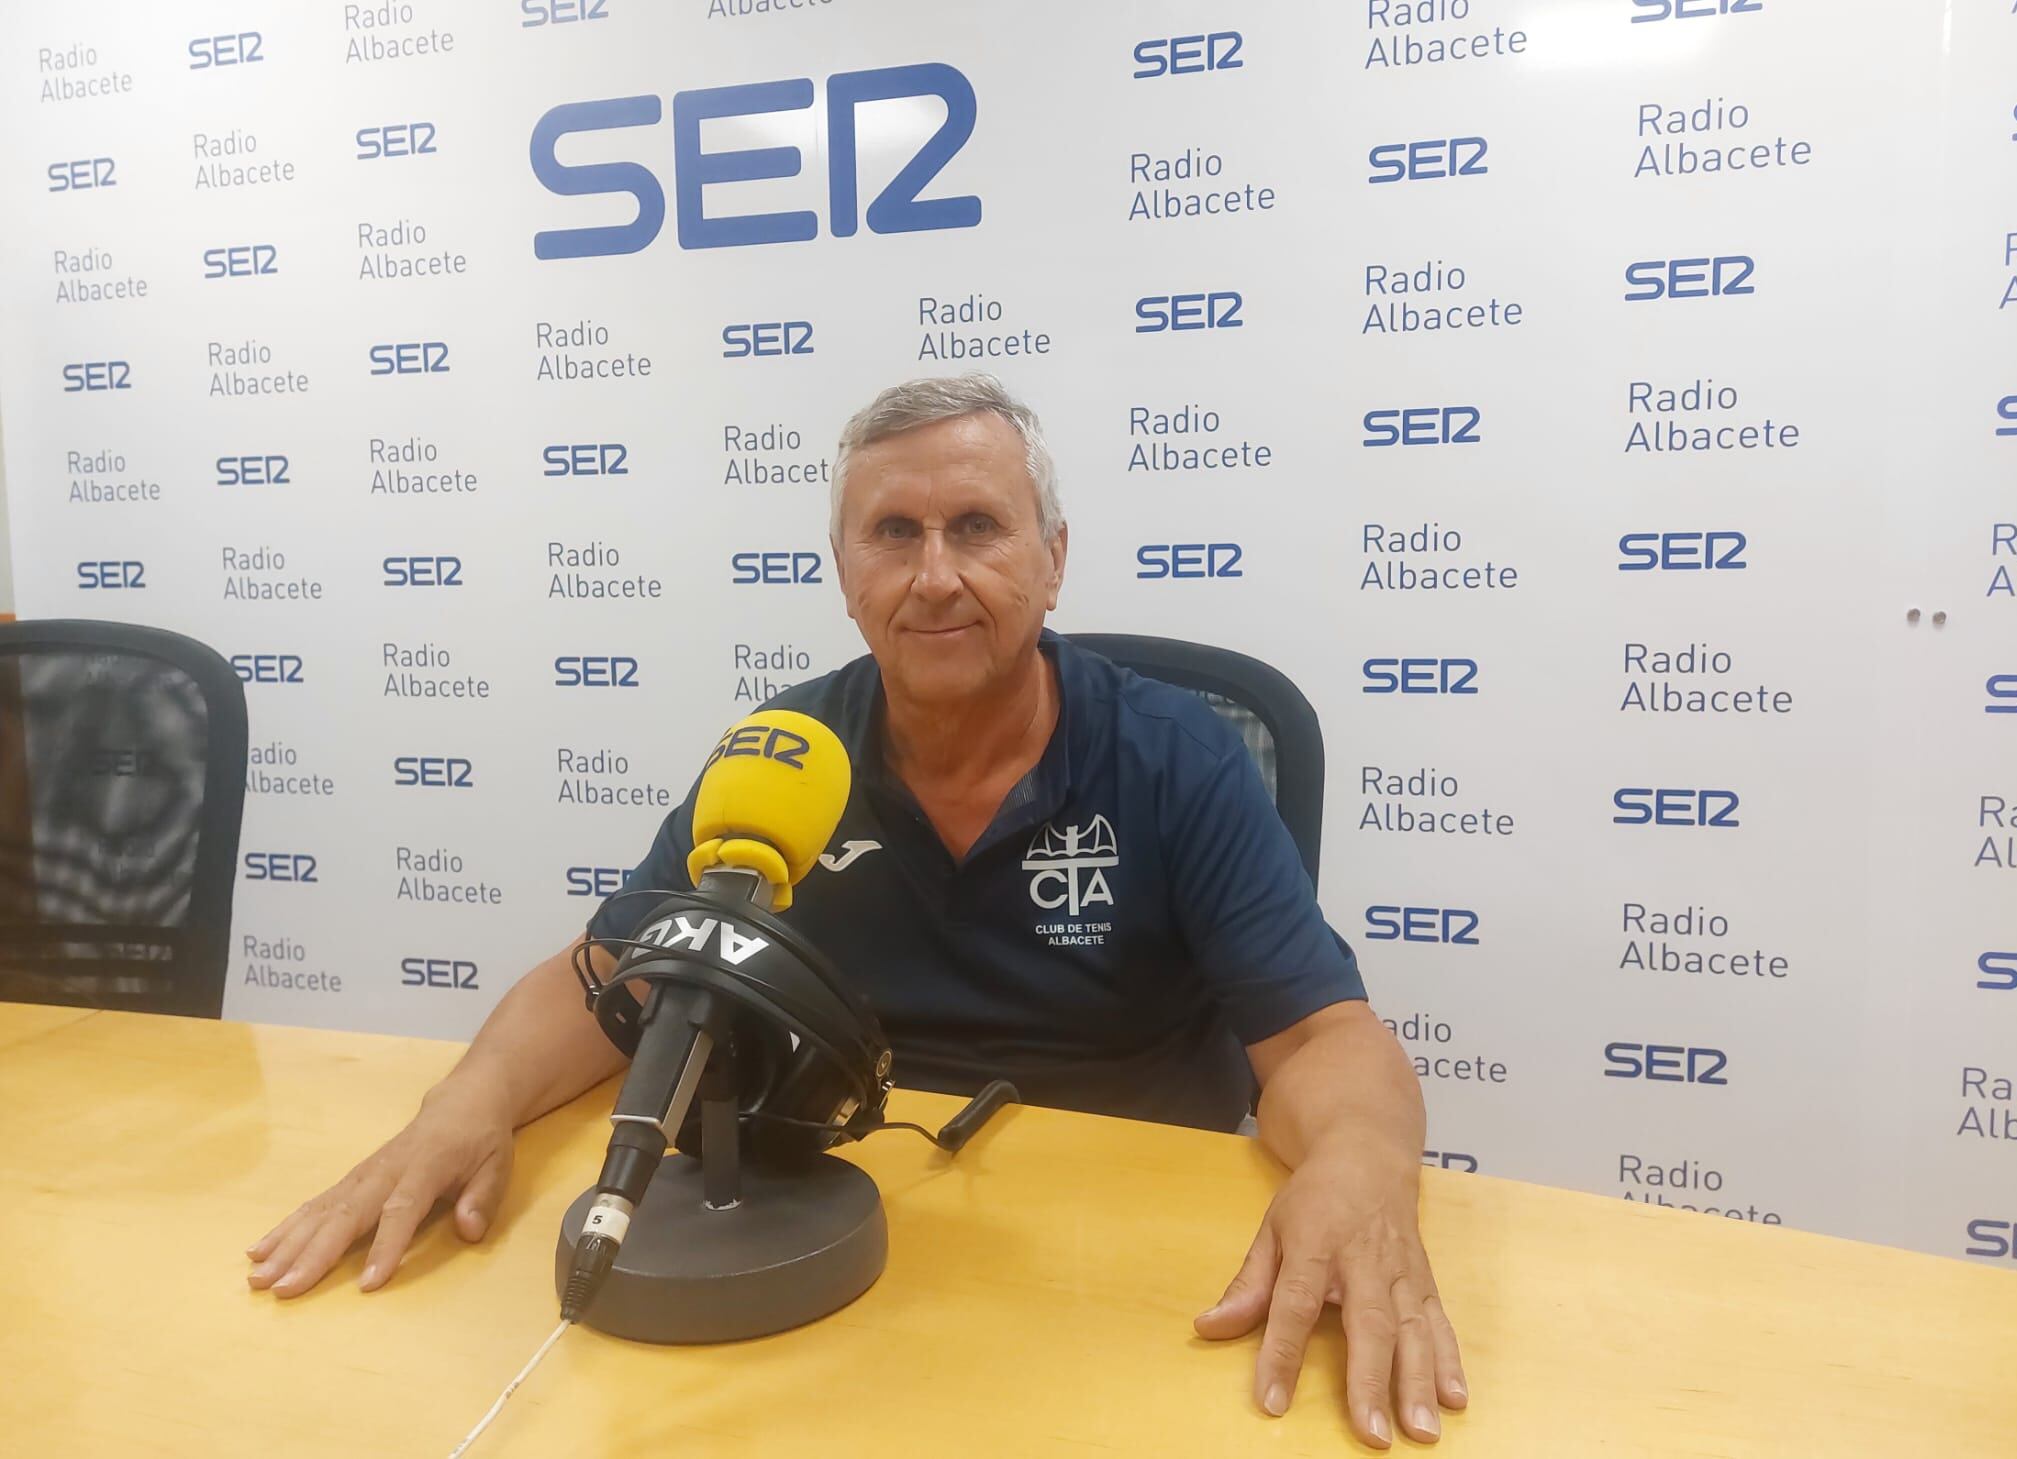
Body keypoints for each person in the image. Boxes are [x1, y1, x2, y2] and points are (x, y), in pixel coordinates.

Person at [247, 374, 1467, 1448]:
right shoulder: (785, 757)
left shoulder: (1174, 756)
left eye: (976, 527)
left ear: (1052, 558)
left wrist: (1361, 1163)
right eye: (892, 533)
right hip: (837, 1227)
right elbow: (618, 972)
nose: (934, 576)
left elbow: (1319, 1036)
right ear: (843, 573)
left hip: (1125, 1262)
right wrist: (463, 1104)